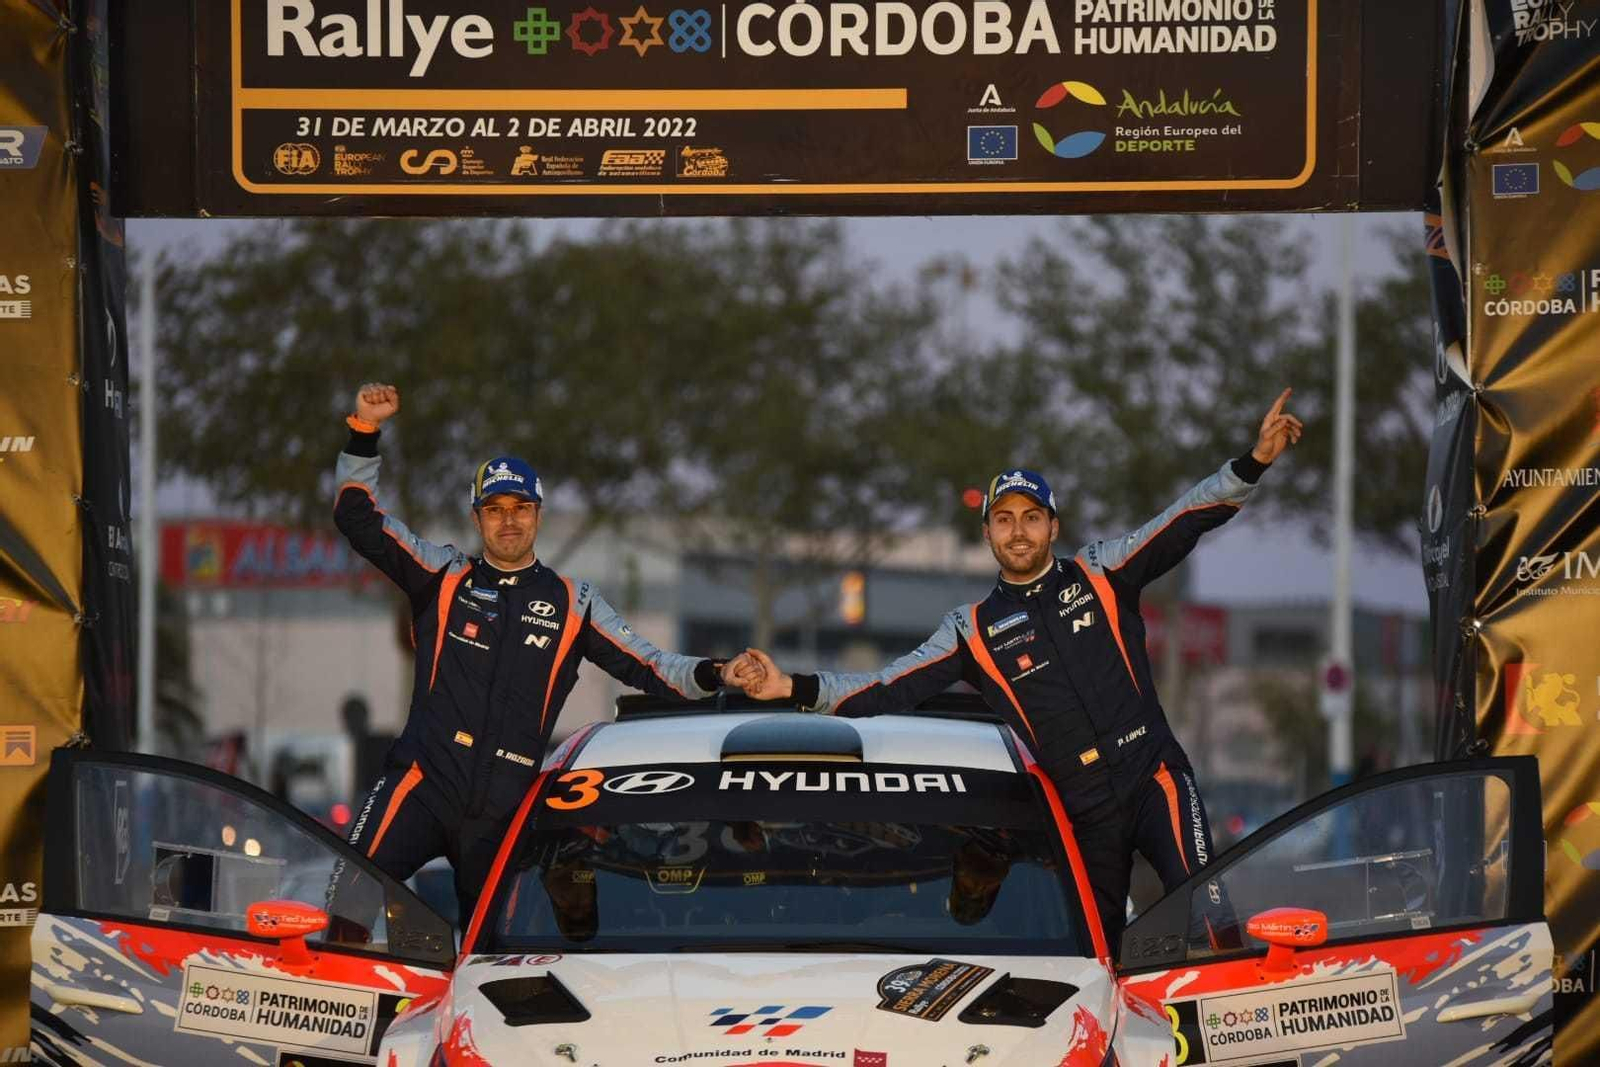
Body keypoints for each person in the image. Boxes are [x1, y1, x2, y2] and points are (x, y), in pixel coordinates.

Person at [734, 390, 1302, 952]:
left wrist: (1253, 463)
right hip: (1081, 811)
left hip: (1153, 775)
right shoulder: (970, 629)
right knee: (1097, 960)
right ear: (987, 535)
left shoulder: (1103, 571)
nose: (1018, 531)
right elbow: (888, 686)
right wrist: (793, 687)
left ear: (1053, 527)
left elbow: (1182, 521)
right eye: (1003, 520)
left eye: (1031, 517)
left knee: (1213, 923)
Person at [333, 382, 739, 927]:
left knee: (495, 952)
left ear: (538, 515)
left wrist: (718, 672)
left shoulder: (574, 602)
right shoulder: (444, 576)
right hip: (421, 784)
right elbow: (359, 521)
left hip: (503, 812)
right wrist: (364, 431)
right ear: (477, 519)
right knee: (346, 906)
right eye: (494, 509)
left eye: (520, 507)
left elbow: (651, 666)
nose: (508, 520)